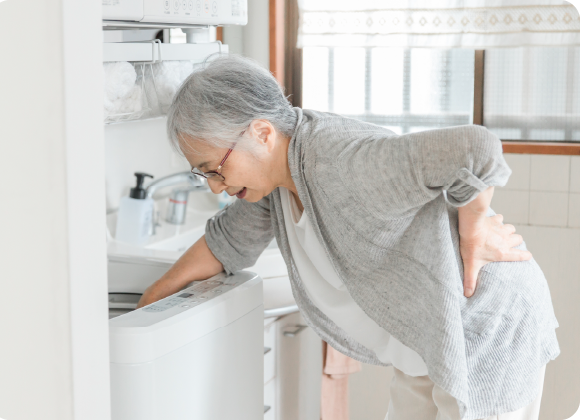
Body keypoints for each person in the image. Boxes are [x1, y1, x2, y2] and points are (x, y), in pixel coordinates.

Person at [137, 54, 560, 420]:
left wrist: (474, 230)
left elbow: (477, 147)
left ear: (261, 133)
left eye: (214, 168)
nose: (213, 186)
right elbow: (224, 245)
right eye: (203, 174)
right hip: (426, 338)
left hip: (485, 326)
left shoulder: (341, 161)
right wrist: (147, 307)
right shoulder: (274, 182)